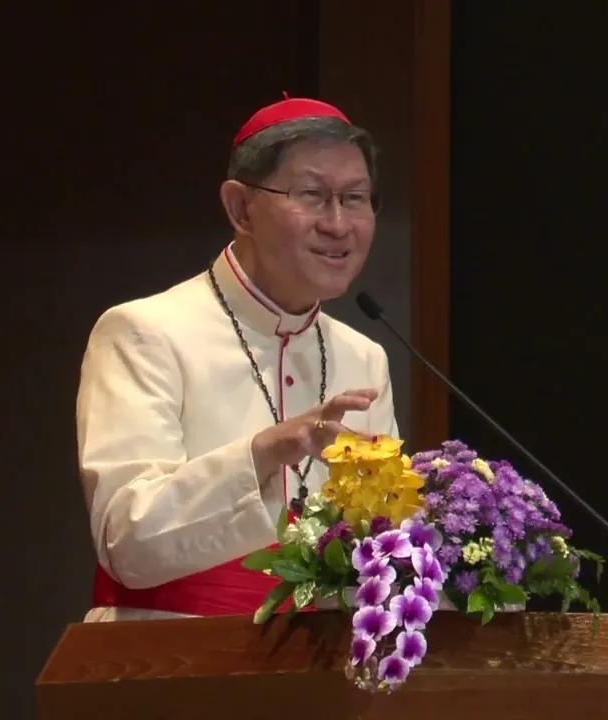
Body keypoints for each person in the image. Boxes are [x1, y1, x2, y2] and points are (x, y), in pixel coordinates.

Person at [75, 97, 399, 621]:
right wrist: (266, 452)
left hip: (323, 662)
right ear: (241, 208)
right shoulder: (145, 333)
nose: (339, 224)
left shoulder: (364, 357)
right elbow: (126, 543)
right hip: (167, 651)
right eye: (313, 195)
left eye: (355, 198)